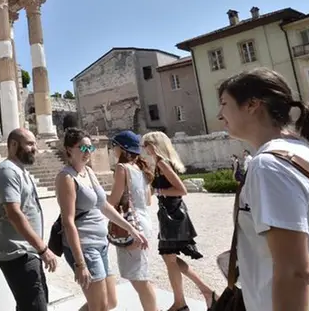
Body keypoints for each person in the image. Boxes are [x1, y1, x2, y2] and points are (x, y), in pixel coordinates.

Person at [217, 67, 309, 311]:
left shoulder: (269, 166)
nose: (220, 114)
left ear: (252, 104)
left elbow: (295, 272)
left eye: (224, 103)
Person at [56, 128, 148, 311]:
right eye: (82, 148)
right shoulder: (66, 178)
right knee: (99, 307)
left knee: (110, 302)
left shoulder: (88, 172)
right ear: (69, 150)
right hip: (85, 246)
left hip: (101, 244)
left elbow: (104, 205)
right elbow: (68, 221)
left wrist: (131, 229)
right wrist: (80, 263)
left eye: (90, 148)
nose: (88, 152)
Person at [142, 131, 216, 311]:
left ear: (155, 145)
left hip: (174, 216)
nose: (144, 148)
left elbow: (182, 190)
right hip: (170, 214)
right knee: (170, 258)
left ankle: (190, 298)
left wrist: (158, 192)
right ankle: (189, 298)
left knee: (170, 258)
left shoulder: (162, 163)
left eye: (146, 144)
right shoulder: (160, 164)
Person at [0, 128, 57, 311]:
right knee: (35, 306)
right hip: (18, 252)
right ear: (13, 145)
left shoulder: (20, 170)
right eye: (29, 144)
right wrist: (43, 248)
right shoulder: (7, 171)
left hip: (28, 250)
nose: (35, 148)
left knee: (31, 303)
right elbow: (14, 213)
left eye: (35, 144)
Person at [107, 130, 157, 311]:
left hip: (131, 224)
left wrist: (100, 200)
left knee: (139, 279)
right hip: (144, 221)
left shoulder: (122, 169)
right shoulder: (141, 170)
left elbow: (113, 201)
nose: (112, 149)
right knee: (140, 275)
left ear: (122, 149)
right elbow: (148, 200)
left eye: (114, 146)